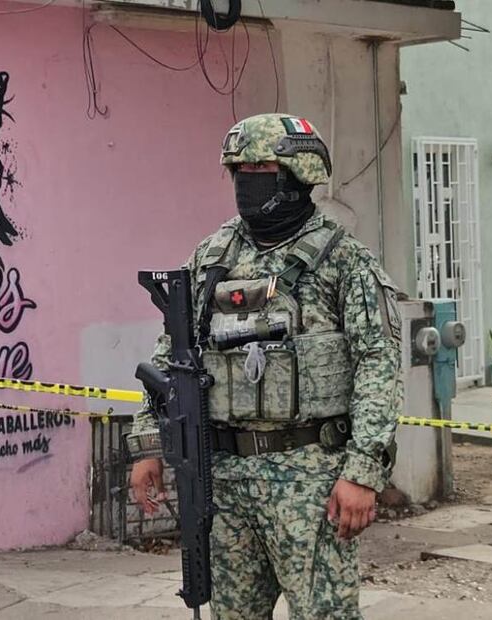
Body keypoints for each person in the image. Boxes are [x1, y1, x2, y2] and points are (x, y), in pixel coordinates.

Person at [129, 113, 403, 619]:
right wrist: (149, 447)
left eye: (260, 169)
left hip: (310, 479)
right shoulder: (214, 255)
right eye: (238, 172)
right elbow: (172, 357)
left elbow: (378, 367)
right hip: (225, 477)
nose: (245, 183)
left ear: (299, 177)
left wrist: (363, 471)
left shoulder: (343, 260)